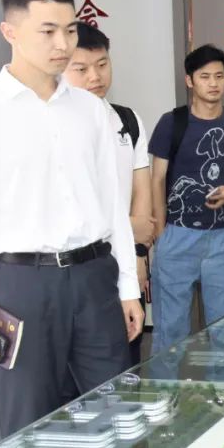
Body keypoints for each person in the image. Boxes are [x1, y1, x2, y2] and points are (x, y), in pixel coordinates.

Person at [0, 0, 141, 438]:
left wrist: (128, 287)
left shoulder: (91, 110)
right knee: (27, 421)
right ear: (10, 31)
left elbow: (113, 204)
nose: (63, 44)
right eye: (48, 31)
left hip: (93, 277)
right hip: (18, 285)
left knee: (114, 411)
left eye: (70, 29)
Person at [148, 44, 224, 380]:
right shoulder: (172, 122)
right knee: (171, 329)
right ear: (190, 80)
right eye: (204, 77)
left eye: (219, 76)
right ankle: (164, 395)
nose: (213, 83)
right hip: (178, 235)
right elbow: (157, 179)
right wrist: (161, 232)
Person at [63, 24, 154, 366]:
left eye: (102, 64)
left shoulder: (126, 120)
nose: (95, 77)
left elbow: (141, 191)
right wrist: (127, 226)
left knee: (124, 358)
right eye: (81, 68)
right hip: (77, 265)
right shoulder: (57, 125)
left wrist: (139, 253)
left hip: (124, 261)